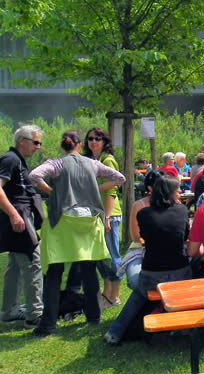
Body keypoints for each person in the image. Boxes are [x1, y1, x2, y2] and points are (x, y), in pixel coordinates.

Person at [28, 131, 125, 336]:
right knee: (88, 270)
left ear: (63, 145)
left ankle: (48, 323)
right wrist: (96, 189)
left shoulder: (56, 164)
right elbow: (119, 178)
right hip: (88, 221)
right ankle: (93, 316)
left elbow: (34, 176)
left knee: (54, 271)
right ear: (80, 145)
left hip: (62, 220)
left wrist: (52, 191)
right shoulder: (93, 164)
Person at [104, 176, 190, 345]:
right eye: (178, 190)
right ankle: (179, 328)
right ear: (170, 193)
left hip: (152, 274)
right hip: (180, 273)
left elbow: (142, 238)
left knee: (139, 293)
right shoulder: (182, 211)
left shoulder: (143, 214)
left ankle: (115, 333)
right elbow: (185, 236)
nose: (180, 193)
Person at [0, 125, 44, 328]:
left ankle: (9, 311)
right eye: (35, 142)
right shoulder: (10, 159)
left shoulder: (17, 160)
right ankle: (35, 314)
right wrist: (14, 214)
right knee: (33, 262)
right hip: (19, 218)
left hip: (19, 218)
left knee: (15, 265)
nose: (38, 147)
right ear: (21, 141)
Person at [82, 127, 125, 309]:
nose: (93, 142)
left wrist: (107, 217)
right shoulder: (92, 160)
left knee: (113, 256)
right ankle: (106, 293)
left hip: (109, 215)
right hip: (95, 214)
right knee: (101, 256)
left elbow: (112, 190)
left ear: (104, 141)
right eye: (90, 139)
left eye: (97, 138)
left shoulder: (107, 160)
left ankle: (114, 297)